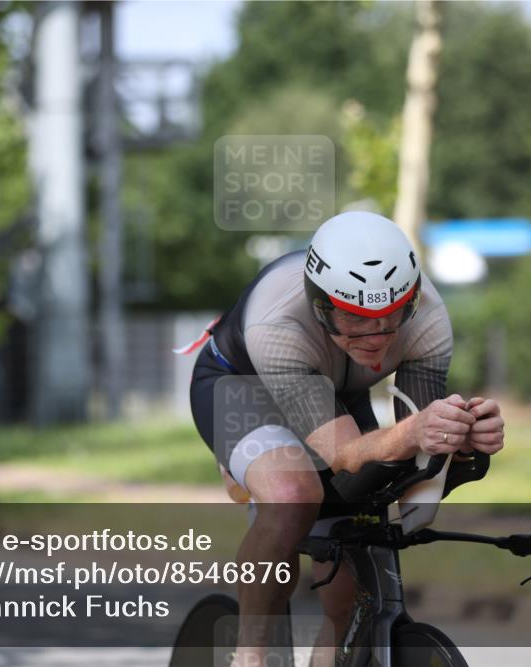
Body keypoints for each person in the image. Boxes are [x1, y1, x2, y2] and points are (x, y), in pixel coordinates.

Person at [182, 211, 505, 667]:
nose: (375, 336)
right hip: (241, 388)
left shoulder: (428, 317)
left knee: (353, 569)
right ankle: (249, 656)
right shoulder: (277, 321)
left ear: (410, 298)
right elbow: (346, 452)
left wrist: (462, 436)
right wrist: (415, 432)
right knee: (294, 495)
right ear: (321, 305)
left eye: (391, 317)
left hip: (332, 392)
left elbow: (417, 438)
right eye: (354, 318)